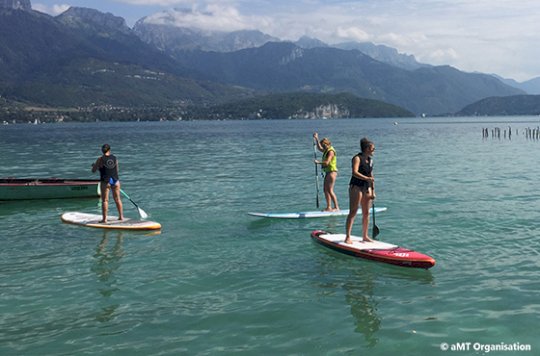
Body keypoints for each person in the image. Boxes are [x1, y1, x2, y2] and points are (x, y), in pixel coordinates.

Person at [345, 137, 375, 244]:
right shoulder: (357, 158)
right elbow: (354, 172)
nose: (374, 150)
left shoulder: (370, 160)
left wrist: (373, 190)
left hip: (367, 187)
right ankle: (347, 236)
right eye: (372, 148)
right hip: (356, 186)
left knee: (366, 213)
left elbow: (371, 175)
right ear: (367, 149)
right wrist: (367, 178)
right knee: (353, 211)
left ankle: (365, 236)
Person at [91, 144, 124, 223]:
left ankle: (104, 219)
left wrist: (95, 166)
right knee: (117, 199)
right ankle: (121, 217)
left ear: (102, 150)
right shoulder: (115, 158)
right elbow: (116, 170)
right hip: (115, 180)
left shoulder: (100, 159)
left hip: (106, 181)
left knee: (105, 200)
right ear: (109, 150)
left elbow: (93, 170)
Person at [313, 132, 340, 211]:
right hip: (328, 172)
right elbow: (319, 148)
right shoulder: (326, 150)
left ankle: (336, 207)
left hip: (332, 172)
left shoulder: (331, 151)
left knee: (330, 190)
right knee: (325, 190)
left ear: (327, 145)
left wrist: (318, 162)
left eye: (324, 146)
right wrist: (316, 139)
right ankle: (329, 207)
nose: (323, 148)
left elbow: (327, 162)